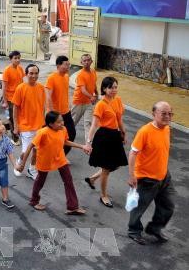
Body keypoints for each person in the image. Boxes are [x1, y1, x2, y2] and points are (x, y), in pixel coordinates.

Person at [16, 111, 90, 214]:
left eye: (62, 121)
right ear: (51, 124)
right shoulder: (43, 132)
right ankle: (34, 201)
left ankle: (72, 207)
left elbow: (65, 141)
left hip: (60, 159)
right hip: (45, 161)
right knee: (40, 181)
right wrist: (23, 164)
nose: (62, 123)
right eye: (59, 122)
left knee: (68, 180)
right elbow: (30, 146)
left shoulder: (63, 129)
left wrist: (82, 146)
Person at [127, 102, 174, 245]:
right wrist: (132, 175)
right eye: (164, 113)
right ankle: (134, 231)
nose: (167, 116)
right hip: (147, 178)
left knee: (168, 206)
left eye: (170, 113)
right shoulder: (145, 131)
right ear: (154, 114)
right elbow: (133, 153)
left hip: (164, 175)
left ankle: (154, 228)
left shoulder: (166, 129)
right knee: (139, 207)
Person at [86, 77, 128, 207]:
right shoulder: (100, 105)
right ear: (104, 89)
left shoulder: (118, 100)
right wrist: (88, 142)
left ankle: (92, 179)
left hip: (115, 136)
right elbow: (93, 125)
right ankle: (103, 196)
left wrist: (123, 133)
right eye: (111, 87)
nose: (114, 90)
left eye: (115, 87)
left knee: (116, 164)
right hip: (104, 137)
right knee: (106, 169)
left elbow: (119, 119)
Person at [12, 64, 46, 180]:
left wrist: (44, 122)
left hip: (39, 125)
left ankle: (32, 169)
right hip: (25, 126)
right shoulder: (20, 88)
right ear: (26, 74)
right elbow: (15, 108)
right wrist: (16, 126)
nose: (33, 75)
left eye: (36, 73)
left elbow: (42, 106)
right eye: (31, 73)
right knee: (26, 151)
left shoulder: (41, 88)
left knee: (36, 151)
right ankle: (20, 162)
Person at [45, 56, 75, 154]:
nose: (68, 67)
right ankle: (52, 155)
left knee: (71, 133)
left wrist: (69, 104)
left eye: (68, 64)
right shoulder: (52, 78)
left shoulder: (66, 77)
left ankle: (61, 155)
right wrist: (51, 112)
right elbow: (48, 96)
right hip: (56, 114)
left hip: (66, 112)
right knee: (52, 137)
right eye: (66, 64)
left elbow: (65, 93)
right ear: (58, 65)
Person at [71, 54, 97, 142]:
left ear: (91, 61)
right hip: (78, 102)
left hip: (88, 103)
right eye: (84, 60)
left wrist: (96, 93)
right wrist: (92, 97)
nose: (86, 62)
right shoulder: (81, 74)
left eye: (88, 60)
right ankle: (64, 138)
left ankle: (88, 143)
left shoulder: (93, 72)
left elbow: (94, 83)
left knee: (88, 123)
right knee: (72, 123)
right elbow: (83, 90)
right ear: (81, 62)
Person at [2, 50, 26, 145]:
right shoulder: (7, 70)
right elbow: (4, 87)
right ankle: (15, 139)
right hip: (10, 98)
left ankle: (4, 126)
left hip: (20, 97)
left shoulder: (20, 68)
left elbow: (23, 82)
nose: (17, 60)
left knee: (18, 117)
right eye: (15, 58)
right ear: (10, 59)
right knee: (13, 118)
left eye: (19, 58)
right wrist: (5, 101)